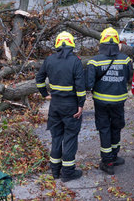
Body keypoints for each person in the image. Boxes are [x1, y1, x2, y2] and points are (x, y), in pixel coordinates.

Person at [35, 31, 86, 182]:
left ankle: (55, 171)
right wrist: (81, 105)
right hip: (71, 106)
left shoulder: (49, 60)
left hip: (55, 105)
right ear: (71, 44)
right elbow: (80, 87)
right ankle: (68, 173)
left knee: (56, 137)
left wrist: (45, 94)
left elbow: (39, 79)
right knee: (70, 138)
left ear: (57, 44)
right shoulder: (75, 61)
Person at [86, 27, 133, 175]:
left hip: (101, 102)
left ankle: (108, 161)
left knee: (104, 129)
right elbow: (129, 77)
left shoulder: (94, 61)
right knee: (116, 127)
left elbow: (89, 84)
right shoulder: (125, 59)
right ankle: (114, 155)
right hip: (119, 101)